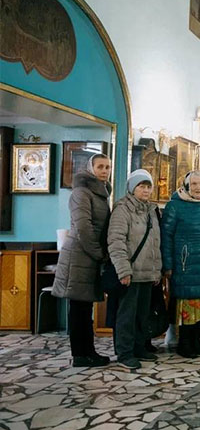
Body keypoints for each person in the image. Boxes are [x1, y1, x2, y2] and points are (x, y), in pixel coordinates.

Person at [53, 153, 112, 367]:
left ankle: (89, 351)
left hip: (89, 256)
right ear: (90, 168)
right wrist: (99, 253)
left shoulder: (100, 193)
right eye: (100, 167)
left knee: (85, 310)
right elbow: (83, 228)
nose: (104, 171)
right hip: (79, 255)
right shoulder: (81, 192)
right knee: (79, 310)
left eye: (107, 167)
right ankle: (80, 355)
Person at [160, 171, 200, 358]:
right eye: (194, 184)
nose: (198, 188)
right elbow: (166, 237)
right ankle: (185, 343)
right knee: (189, 306)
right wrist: (168, 265)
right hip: (185, 264)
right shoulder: (175, 205)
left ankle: (196, 340)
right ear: (186, 185)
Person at [107, 170, 163, 369]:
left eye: (148, 186)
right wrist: (123, 270)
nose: (146, 190)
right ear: (132, 187)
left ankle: (139, 347)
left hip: (147, 272)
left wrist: (156, 271)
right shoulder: (122, 209)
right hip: (130, 272)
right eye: (142, 186)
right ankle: (125, 353)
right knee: (126, 315)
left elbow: (156, 243)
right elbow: (116, 241)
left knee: (142, 314)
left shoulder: (151, 210)